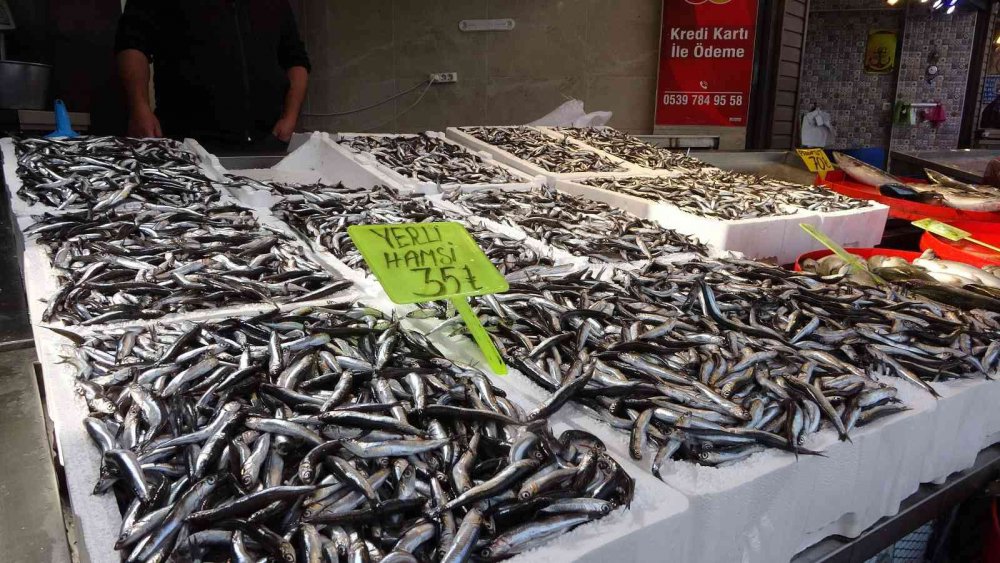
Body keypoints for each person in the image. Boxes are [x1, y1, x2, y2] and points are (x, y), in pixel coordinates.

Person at [115, 1, 310, 150]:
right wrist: (139, 107)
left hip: (268, 142)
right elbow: (132, 44)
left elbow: (295, 60)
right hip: (187, 143)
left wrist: (290, 116)